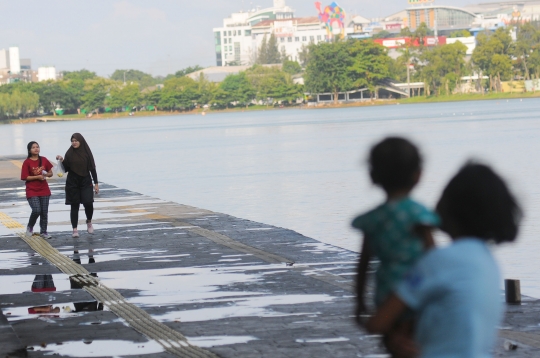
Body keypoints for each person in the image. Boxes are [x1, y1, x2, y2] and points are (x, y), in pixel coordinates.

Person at [365, 163, 522, 358]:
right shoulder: (488, 262)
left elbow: (380, 321)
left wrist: (383, 325)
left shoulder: (439, 261)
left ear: (452, 207)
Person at [352, 137, 439, 355]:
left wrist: (360, 301)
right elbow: (433, 257)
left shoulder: (374, 219)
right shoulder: (419, 216)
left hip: (385, 293)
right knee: (418, 344)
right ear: (418, 175)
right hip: (417, 291)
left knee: (393, 346)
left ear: (373, 176)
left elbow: (363, 264)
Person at [56, 133, 99, 238]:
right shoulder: (69, 153)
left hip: (85, 180)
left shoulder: (86, 153)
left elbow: (92, 168)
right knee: (74, 205)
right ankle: (75, 229)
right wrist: (62, 160)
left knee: (88, 202)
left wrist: (96, 183)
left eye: (76, 140)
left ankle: (89, 221)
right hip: (72, 182)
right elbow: (66, 169)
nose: (74, 143)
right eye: (72, 141)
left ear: (81, 141)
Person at [21, 141, 53, 239]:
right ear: (29, 150)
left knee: (44, 212)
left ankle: (44, 232)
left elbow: (51, 173)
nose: (36, 149)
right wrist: (37, 177)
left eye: (37, 147)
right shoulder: (27, 162)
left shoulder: (44, 160)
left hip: (44, 190)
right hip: (32, 190)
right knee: (36, 210)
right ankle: (30, 226)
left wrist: (45, 174)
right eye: (33, 147)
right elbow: (24, 177)